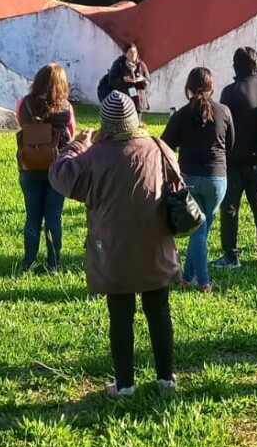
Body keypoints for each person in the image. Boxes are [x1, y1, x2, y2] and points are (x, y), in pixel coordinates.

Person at [49, 92, 181, 398]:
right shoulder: (159, 148)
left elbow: (59, 175)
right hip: (156, 245)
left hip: (113, 250)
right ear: (135, 119)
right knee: (159, 313)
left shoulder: (94, 157)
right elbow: (178, 184)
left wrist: (79, 142)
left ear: (105, 124)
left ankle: (124, 386)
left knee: (120, 317)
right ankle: (166, 381)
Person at [161, 68, 235, 292]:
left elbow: (165, 147)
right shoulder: (224, 111)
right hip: (217, 179)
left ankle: (202, 282)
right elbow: (231, 144)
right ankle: (188, 277)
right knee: (202, 229)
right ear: (212, 87)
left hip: (190, 177)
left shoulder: (181, 115)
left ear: (188, 88)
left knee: (198, 231)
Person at [213, 47, 257, 268]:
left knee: (230, 207)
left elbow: (223, 127)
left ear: (236, 65)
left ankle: (231, 255)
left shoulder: (230, 92)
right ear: (256, 65)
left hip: (234, 159)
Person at [15, 63, 76, 273]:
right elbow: (72, 133)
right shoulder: (66, 107)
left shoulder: (24, 104)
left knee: (32, 216)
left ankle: (29, 262)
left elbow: (21, 125)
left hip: (29, 165)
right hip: (57, 167)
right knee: (53, 216)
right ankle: (53, 263)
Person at [108, 42, 151, 115]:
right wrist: (123, 80)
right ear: (125, 54)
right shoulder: (119, 64)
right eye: (130, 52)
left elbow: (148, 83)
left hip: (138, 102)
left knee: (136, 124)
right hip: (123, 101)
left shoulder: (141, 65)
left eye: (135, 52)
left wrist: (142, 79)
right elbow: (112, 81)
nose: (133, 54)